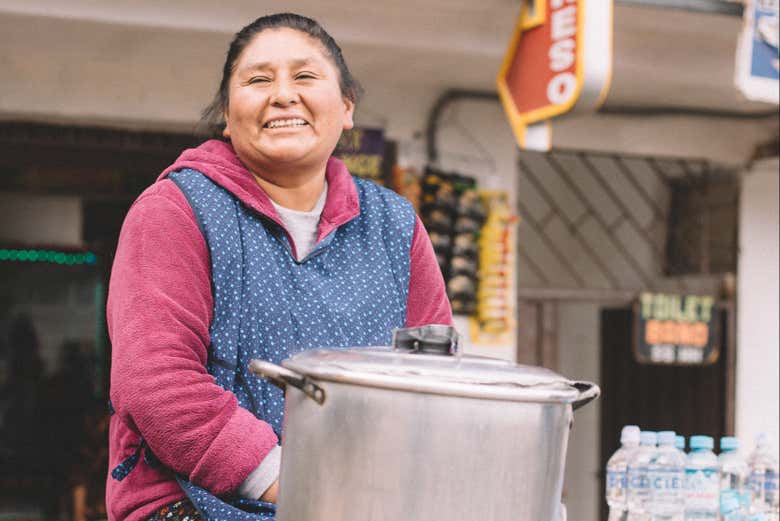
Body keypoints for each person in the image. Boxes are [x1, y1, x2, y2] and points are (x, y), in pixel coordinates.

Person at [106, 12, 452, 521]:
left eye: (306, 77)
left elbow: (435, 375)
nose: (284, 95)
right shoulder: (175, 209)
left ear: (347, 107)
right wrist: (300, 482)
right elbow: (156, 381)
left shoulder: (394, 226)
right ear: (228, 113)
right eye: (258, 80)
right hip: (193, 505)